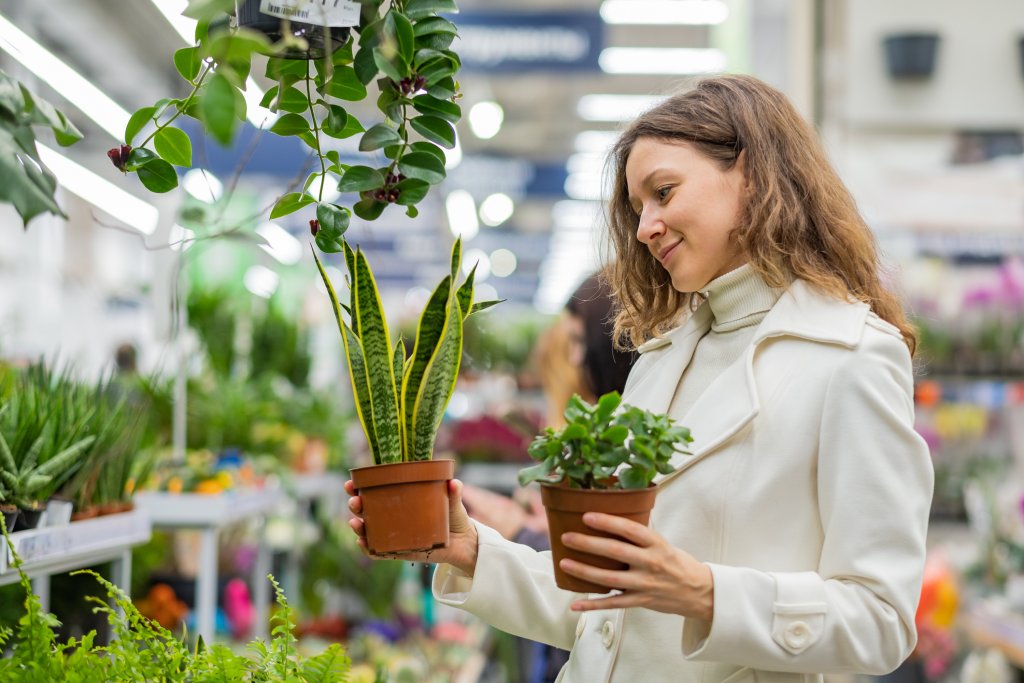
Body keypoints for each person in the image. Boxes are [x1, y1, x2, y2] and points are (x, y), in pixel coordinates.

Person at [344, 75, 934, 682]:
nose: (645, 225)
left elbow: (881, 618)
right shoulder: (663, 358)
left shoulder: (851, 357)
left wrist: (705, 593)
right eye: (637, 207)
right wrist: (471, 551)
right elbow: (605, 609)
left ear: (753, 174)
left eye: (664, 192)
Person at [461, 270, 637, 682]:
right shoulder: (600, 438)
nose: (574, 359)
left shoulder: (623, 447)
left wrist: (522, 530)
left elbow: (604, 577)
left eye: (580, 341)